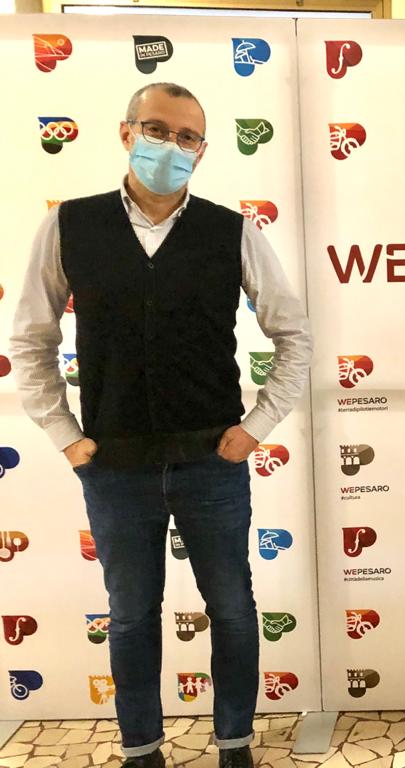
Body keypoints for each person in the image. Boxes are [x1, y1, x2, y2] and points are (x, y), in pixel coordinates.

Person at [9, 82, 313, 768]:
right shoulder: (69, 226)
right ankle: (141, 749)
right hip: (114, 466)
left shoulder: (232, 231)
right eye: (156, 129)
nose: (170, 146)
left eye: (186, 136)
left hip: (211, 462)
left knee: (231, 609)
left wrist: (258, 426)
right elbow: (29, 340)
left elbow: (293, 335)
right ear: (126, 133)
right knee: (130, 617)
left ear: (202, 151)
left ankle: (234, 745)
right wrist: (66, 437)